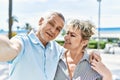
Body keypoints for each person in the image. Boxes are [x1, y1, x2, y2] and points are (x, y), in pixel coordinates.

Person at [0, 12, 101, 80]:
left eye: (58, 29)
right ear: (41, 21)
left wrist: (93, 52)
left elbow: (76, 52)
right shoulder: (23, 42)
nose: (53, 30)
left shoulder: (57, 49)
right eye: (51, 23)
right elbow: (10, 47)